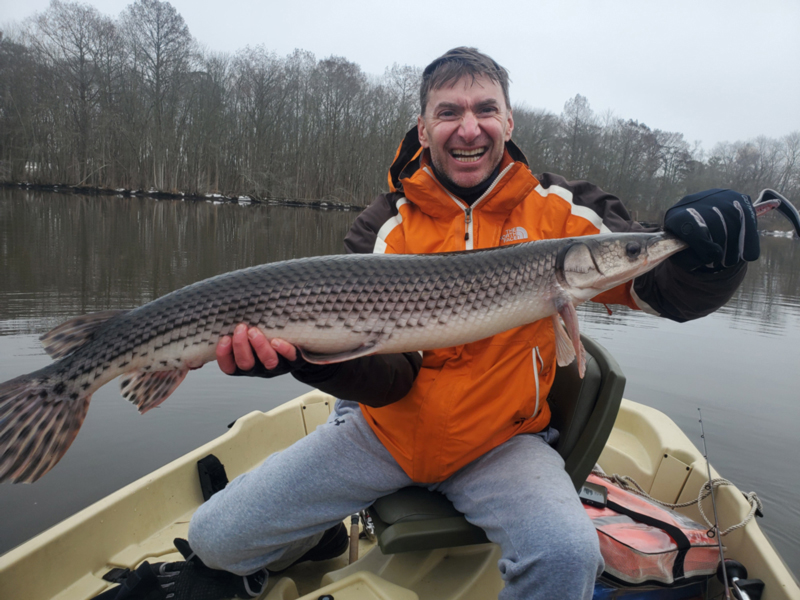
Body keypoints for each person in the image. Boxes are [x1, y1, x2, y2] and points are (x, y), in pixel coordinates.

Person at [147, 48, 760, 600]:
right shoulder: (384, 228)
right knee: (214, 539)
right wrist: (299, 356)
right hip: (382, 433)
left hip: (504, 444)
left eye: (485, 109)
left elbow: (666, 292)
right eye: (449, 112)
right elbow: (389, 379)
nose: (469, 127)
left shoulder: (563, 213)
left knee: (568, 555)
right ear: (424, 127)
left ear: (509, 122)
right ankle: (319, 537)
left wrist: (712, 255)